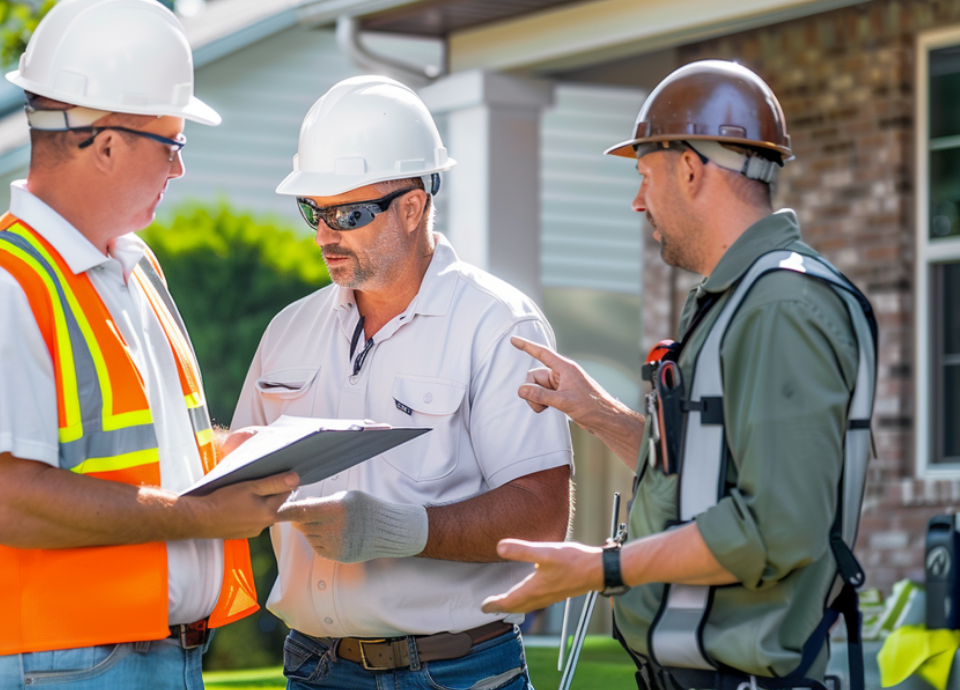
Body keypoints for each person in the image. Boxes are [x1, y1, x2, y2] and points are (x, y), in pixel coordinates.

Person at [0, 0, 298, 690]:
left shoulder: (131, 271)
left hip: (152, 658)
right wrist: (200, 514)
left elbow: (132, 460)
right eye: (173, 144)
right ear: (108, 143)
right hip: (58, 668)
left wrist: (224, 462)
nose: (180, 168)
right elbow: (4, 500)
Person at [483, 60, 878, 690]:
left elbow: (775, 529)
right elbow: (706, 474)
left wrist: (604, 569)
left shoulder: (782, 307)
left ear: (690, 169)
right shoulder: (737, 297)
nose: (637, 201)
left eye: (645, 175)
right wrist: (596, 412)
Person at [231, 75, 574, 690]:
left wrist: (398, 530)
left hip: (456, 670)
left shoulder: (497, 324)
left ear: (413, 206)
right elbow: (233, 486)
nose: (324, 236)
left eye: (349, 214)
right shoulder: (288, 330)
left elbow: (542, 517)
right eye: (315, 210)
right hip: (312, 667)